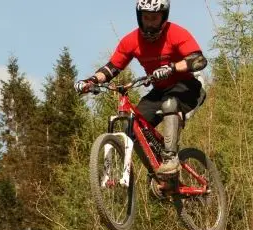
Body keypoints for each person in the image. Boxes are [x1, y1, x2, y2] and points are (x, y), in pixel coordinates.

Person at [74, 0, 208, 176]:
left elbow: (198, 60)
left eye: (155, 18)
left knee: (170, 103)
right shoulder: (131, 41)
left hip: (188, 86)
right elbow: (111, 68)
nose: (150, 23)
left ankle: (170, 158)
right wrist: (90, 81)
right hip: (159, 91)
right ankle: (156, 172)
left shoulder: (176, 33)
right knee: (133, 127)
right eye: (146, 18)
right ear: (139, 17)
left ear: (164, 17)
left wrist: (172, 68)